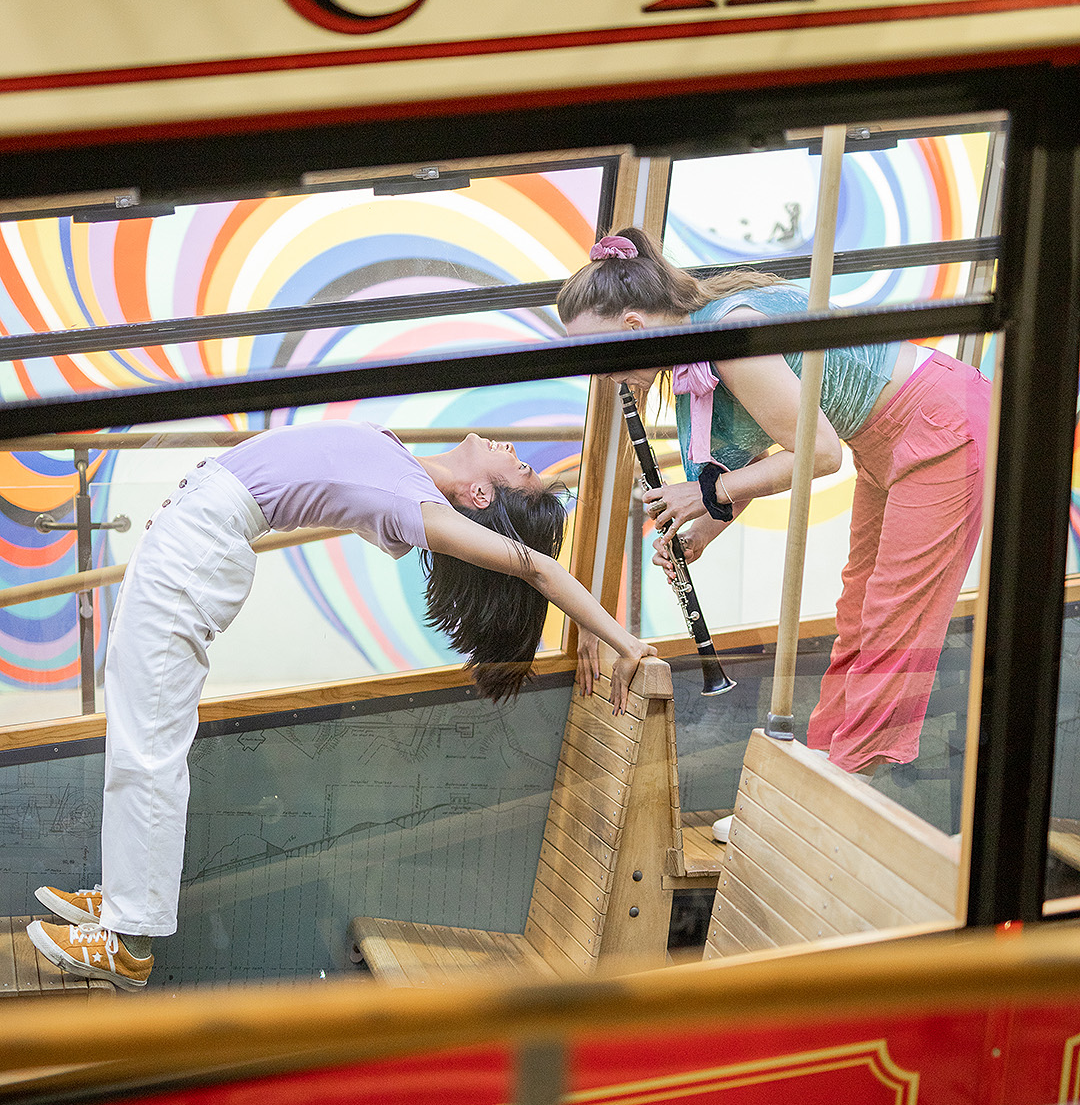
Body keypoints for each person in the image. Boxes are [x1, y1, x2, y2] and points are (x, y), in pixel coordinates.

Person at [27, 420, 655, 989]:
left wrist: (619, 639)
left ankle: (126, 938)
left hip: (196, 546)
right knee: (137, 727)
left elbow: (537, 570)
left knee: (149, 740)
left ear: (482, 499)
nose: (516, 451)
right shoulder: (405, 467)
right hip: (186, 538)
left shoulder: (417, 505)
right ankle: (122, 898)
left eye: (519, 470)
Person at [559, 226, 991, 784]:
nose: (602, 375)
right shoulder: (698, 348)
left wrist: (705, 495)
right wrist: (702, 530)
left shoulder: (729, 336)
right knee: (858, 610)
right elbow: (754, 459)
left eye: (598, 356)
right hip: (888, 437)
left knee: (893, 615)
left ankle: (845, 788)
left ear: (635, 327)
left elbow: (818, 453)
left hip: (942, 424)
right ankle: (821, 771)